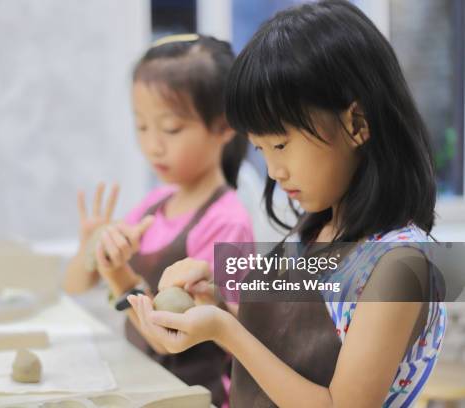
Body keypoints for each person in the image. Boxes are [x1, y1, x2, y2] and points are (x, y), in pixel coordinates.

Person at [127, 2, 446, 407]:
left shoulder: (401, 265)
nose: (275, 170)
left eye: (281, 144)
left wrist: (227, 331)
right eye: (261, 149)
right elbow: (286, 343)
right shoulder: (318, 231)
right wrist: (214, 300)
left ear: (357, 124)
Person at [63, 33, 254, 406]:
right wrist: (91, 247)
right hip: (146, 388)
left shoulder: (228, 222)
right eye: (141, 126)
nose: (153, 145)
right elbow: (74, 286)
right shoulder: (157, 203)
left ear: (224, 126)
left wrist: (120, 277)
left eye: (170, 128)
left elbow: (167, 337)